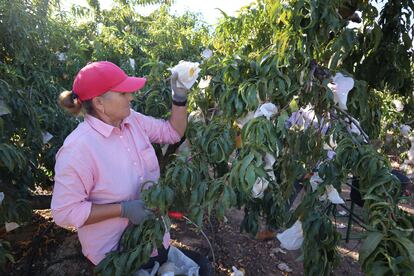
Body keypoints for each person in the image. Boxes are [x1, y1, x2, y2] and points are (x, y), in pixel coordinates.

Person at [50, 61, 189, 267]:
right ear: (99, 103)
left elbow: (172, 132)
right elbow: (64, 212)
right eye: (123, 93)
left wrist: (179, 98)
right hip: (116, 255)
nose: (130, 97)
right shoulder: (79, 149)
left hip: (155, 239)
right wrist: (122, 210)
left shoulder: (132, 120)